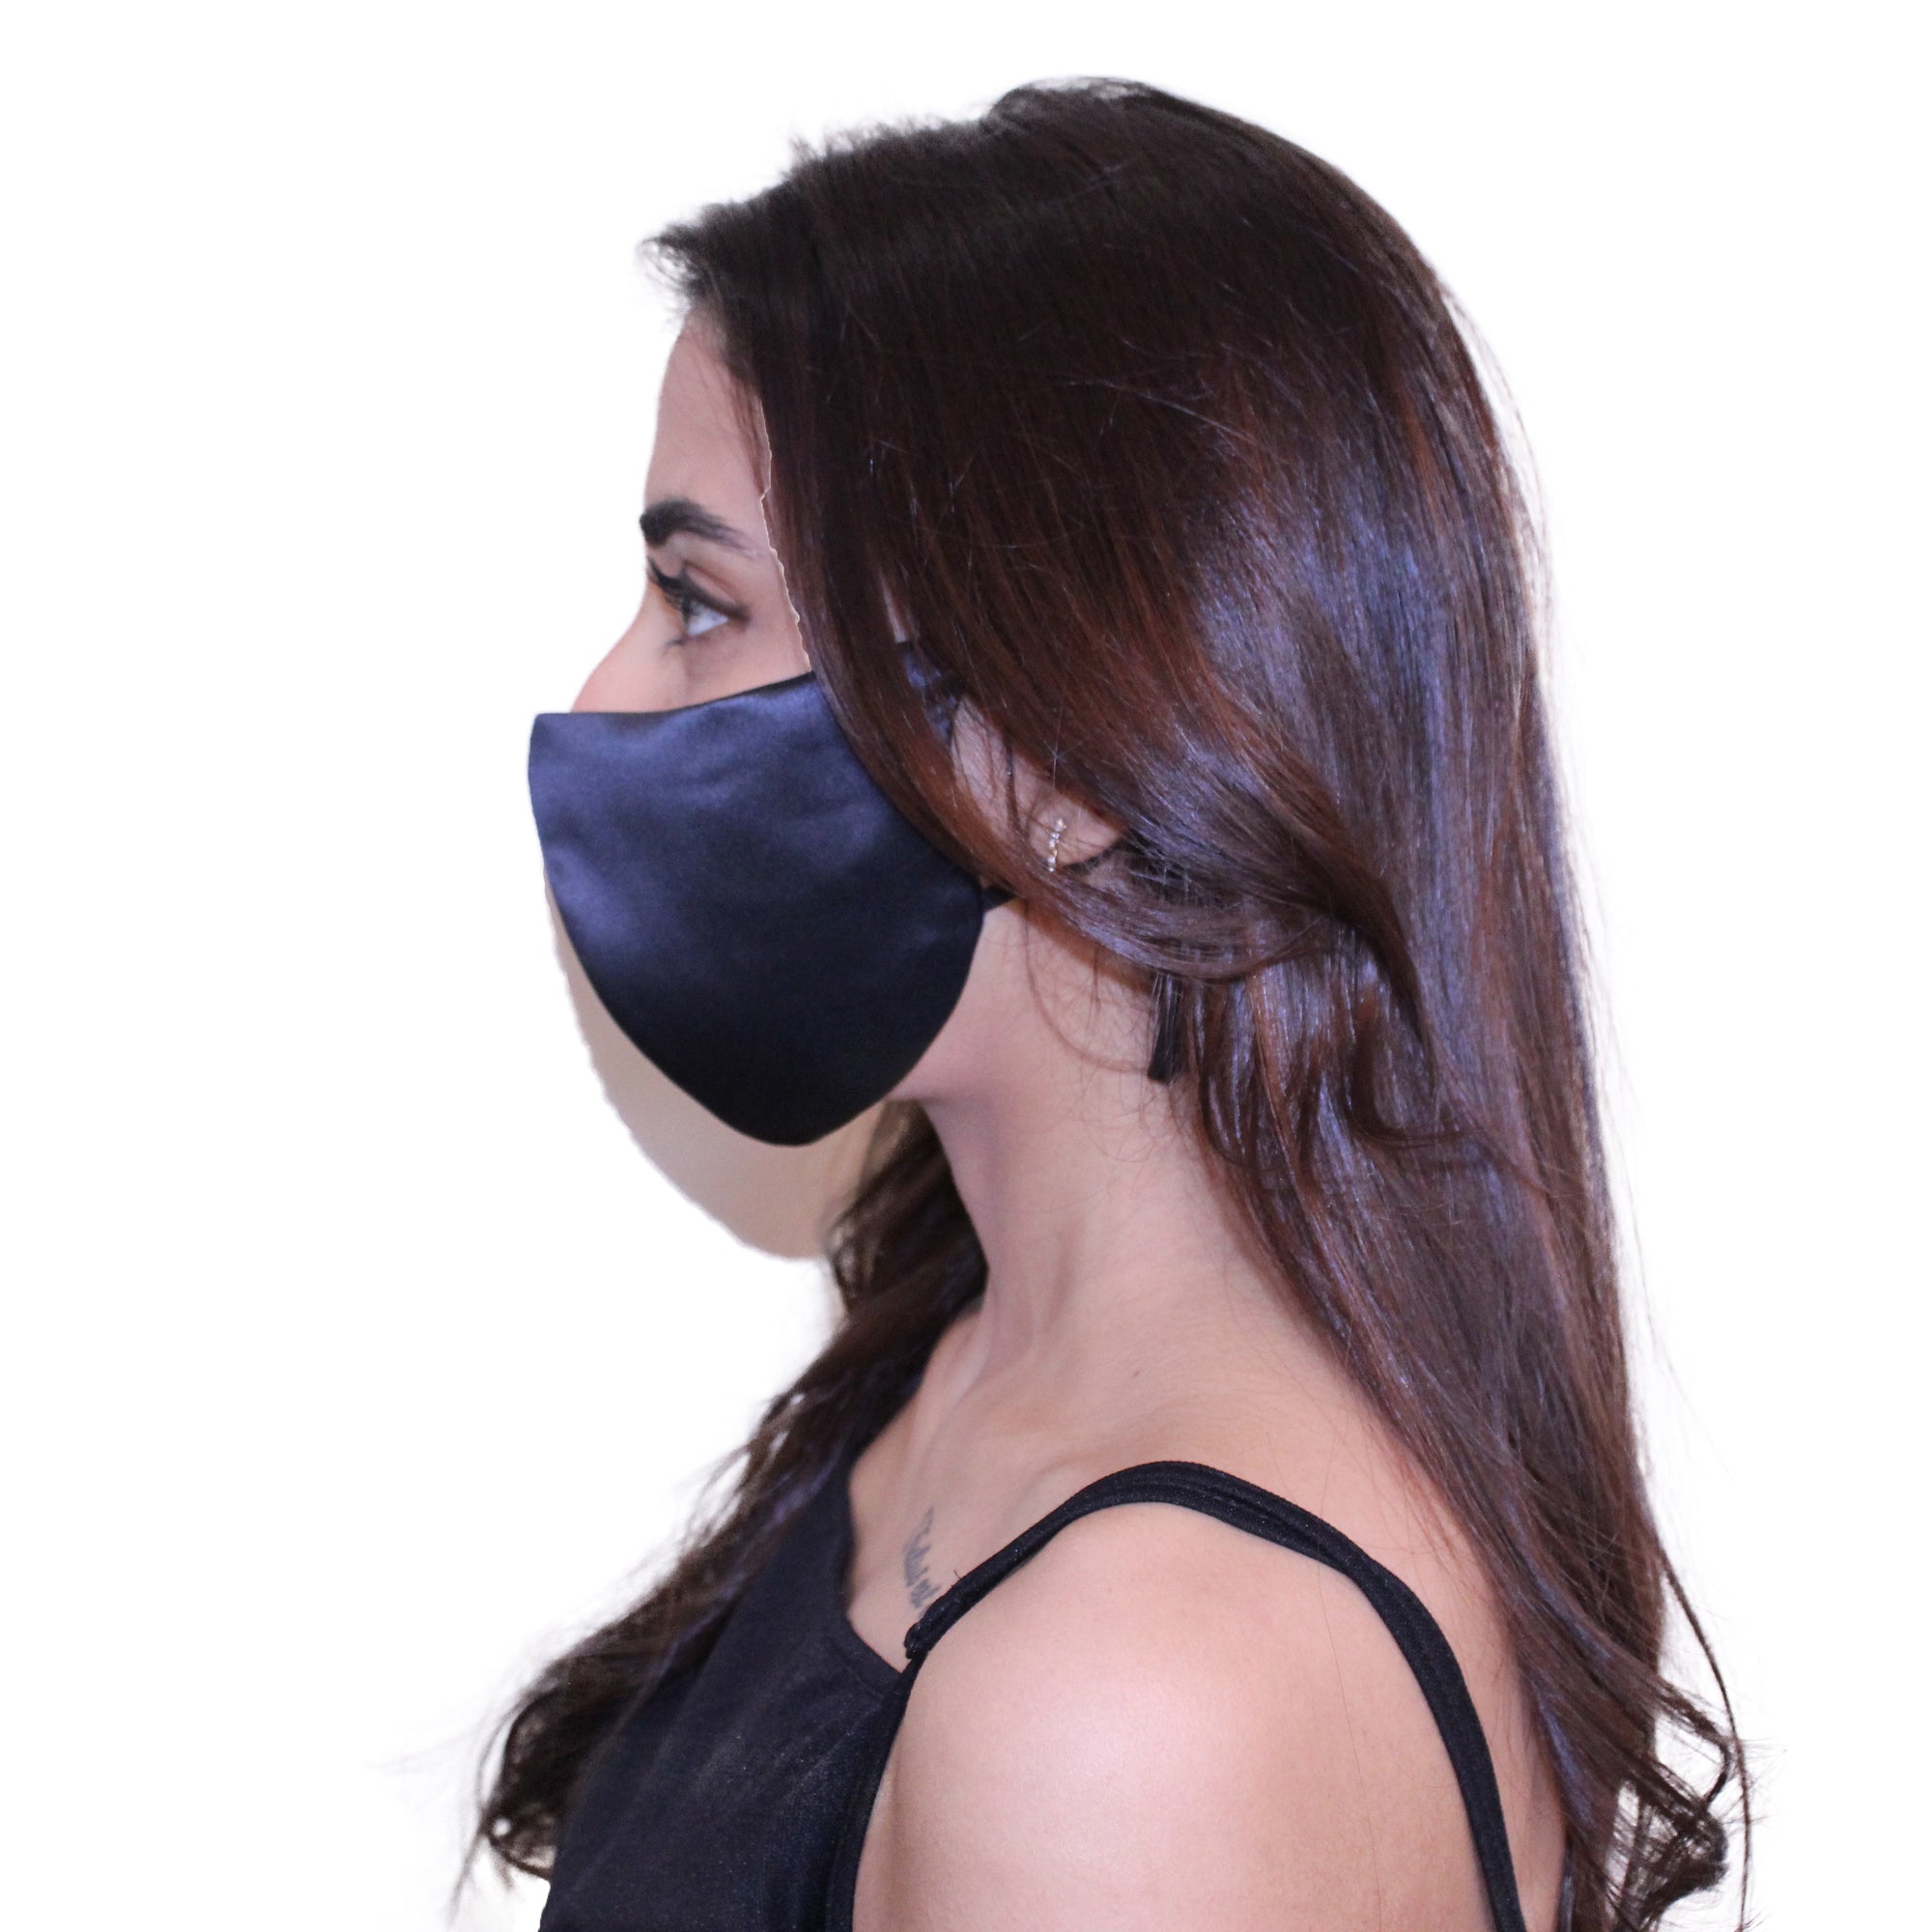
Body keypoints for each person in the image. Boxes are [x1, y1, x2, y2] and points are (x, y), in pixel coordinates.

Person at [484, 79, 1742, 1932]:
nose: (605, 697)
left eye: (697, 602)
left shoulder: (1132, 1701)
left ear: (1070, 762)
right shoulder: (971, 1355)